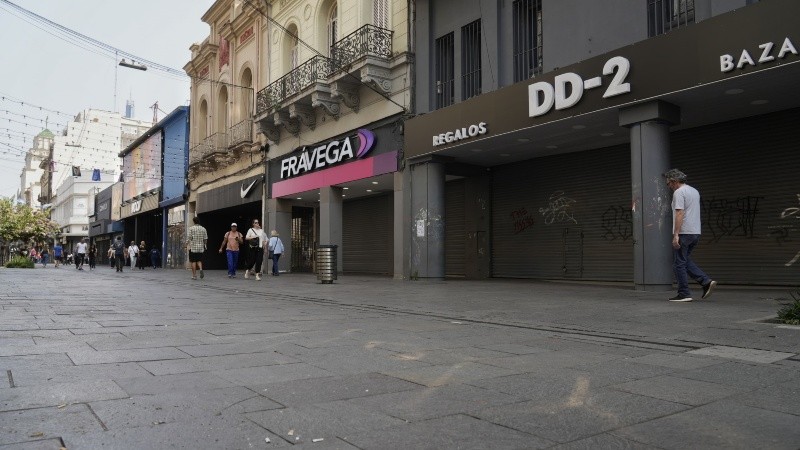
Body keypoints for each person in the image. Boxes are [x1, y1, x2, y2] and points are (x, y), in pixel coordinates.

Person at [665, 169, 717, 302]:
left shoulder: (679, 192)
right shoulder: (694, 191)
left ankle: (684, 293)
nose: (669, 186)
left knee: (678, 264)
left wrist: (676, 234)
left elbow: (679, 213)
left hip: (684, 232)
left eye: (669, 183)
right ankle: (705, 281)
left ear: (674, 181)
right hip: (695, 232)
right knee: (684, 260)